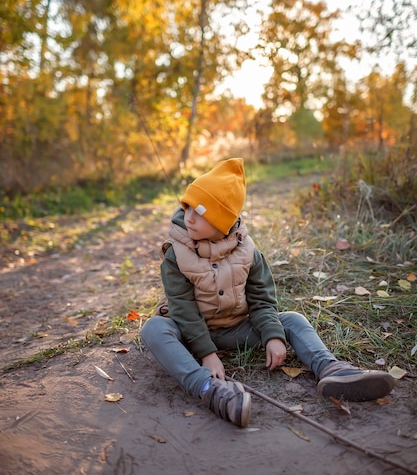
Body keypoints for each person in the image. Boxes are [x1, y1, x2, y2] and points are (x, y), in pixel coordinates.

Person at [141, 158, 396, 428]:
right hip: (189, 332)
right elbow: (182, 308)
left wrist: (273, 335)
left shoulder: (248, 251)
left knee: (292, 320)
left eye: (200, 211)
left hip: (233, 328)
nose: (189, 216)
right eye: (187, 206)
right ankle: (209, 388)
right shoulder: (176, 253)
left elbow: (262, 299)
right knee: (154, 328)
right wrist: (206, 354)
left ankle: (331, 369)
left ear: (222, 219)